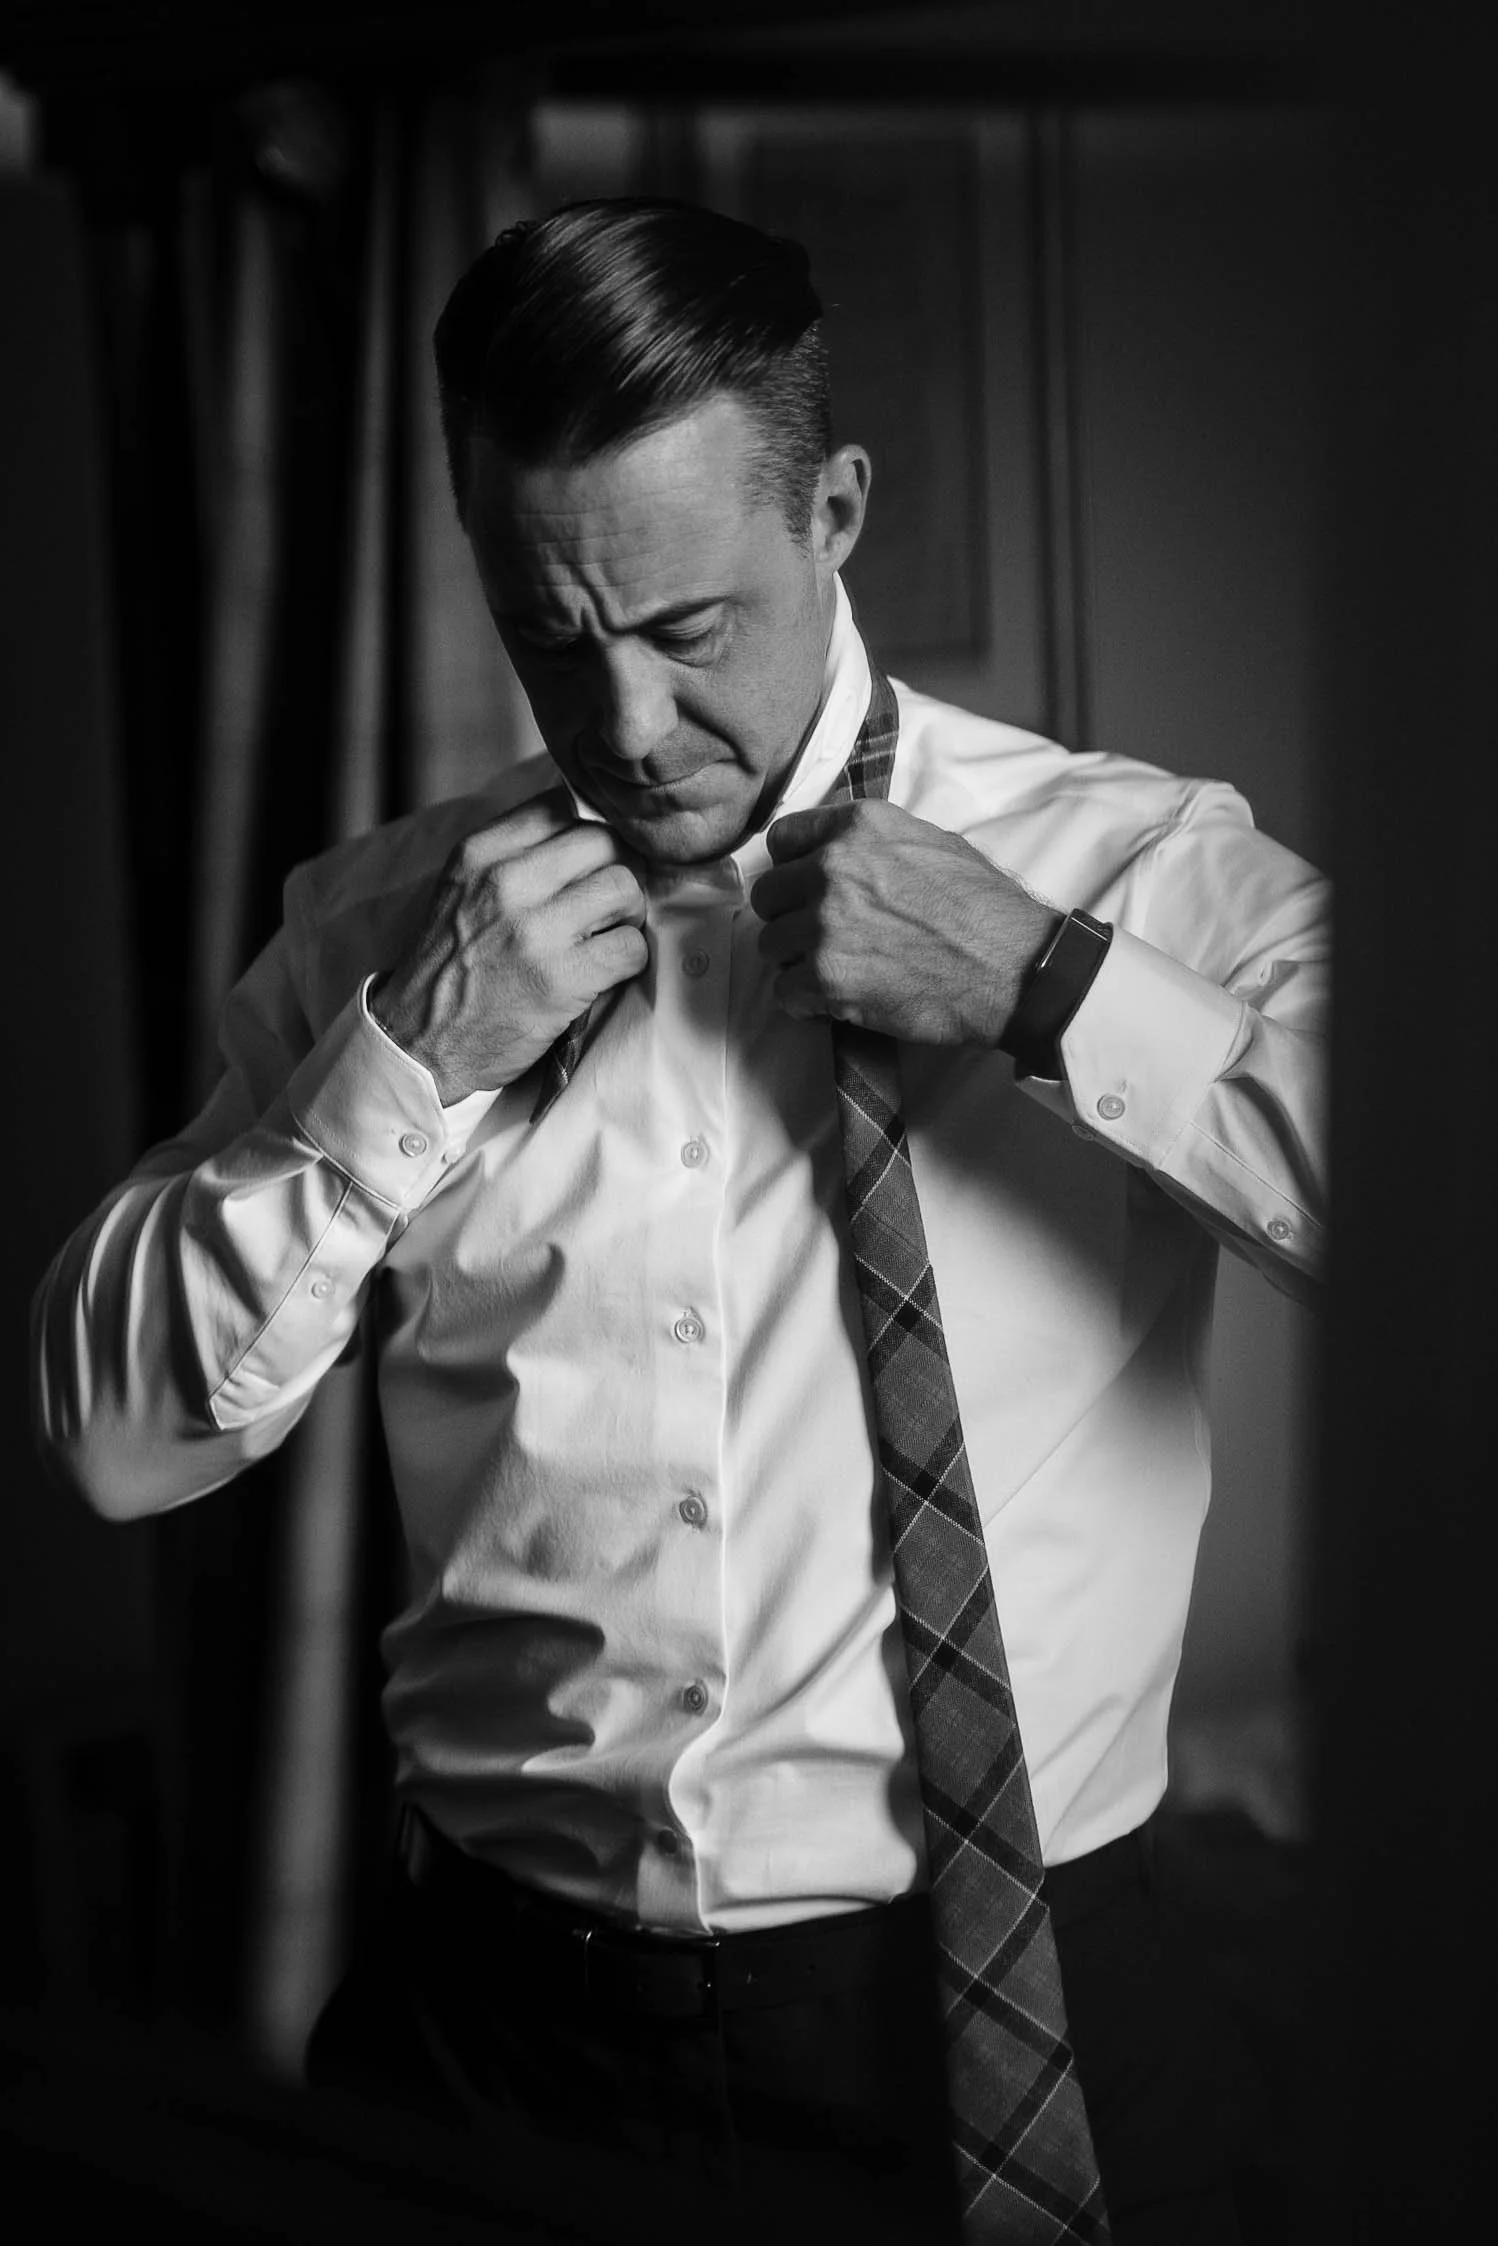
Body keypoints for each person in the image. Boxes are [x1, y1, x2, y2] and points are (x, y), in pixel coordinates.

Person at [33, 198, 1327, 2245]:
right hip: (494, 2037)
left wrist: (1044, 988)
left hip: (1012, 2009)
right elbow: (115, 1437)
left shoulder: (1131, 868)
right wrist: (397, 1073)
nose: (623, 724)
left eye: (686, 627)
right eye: (550, 636)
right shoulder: (386, 933)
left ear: (833, 511)